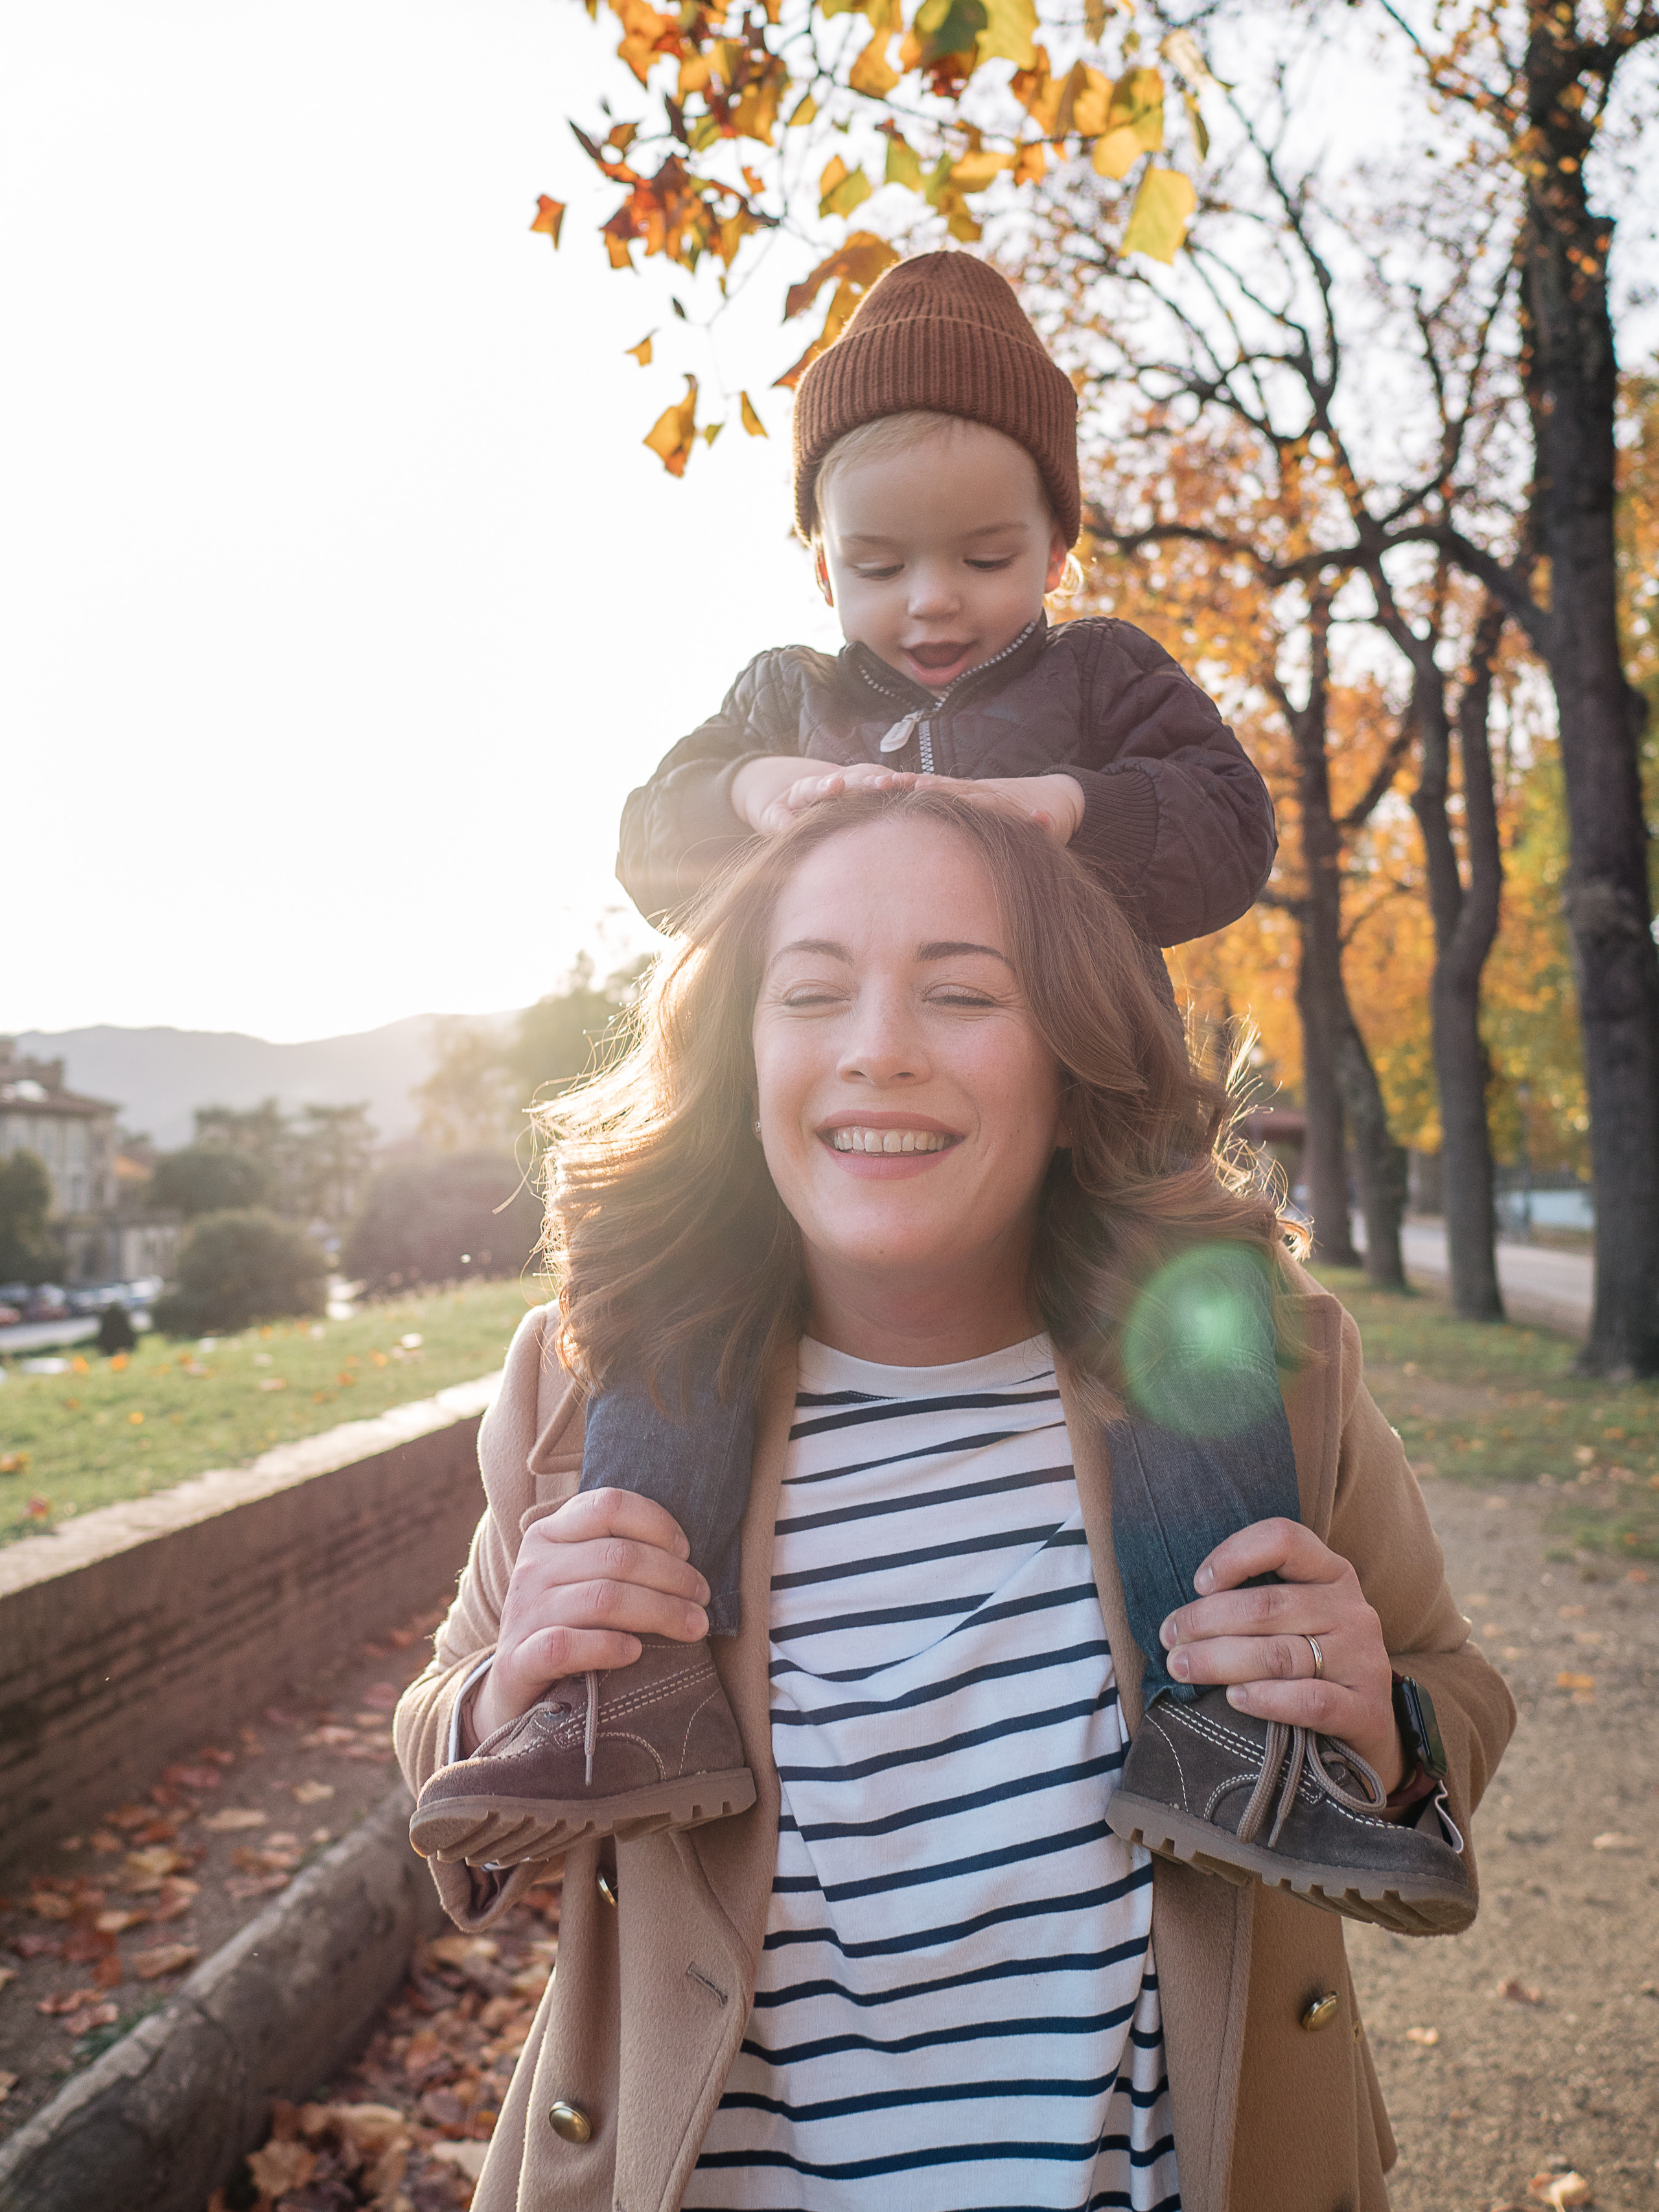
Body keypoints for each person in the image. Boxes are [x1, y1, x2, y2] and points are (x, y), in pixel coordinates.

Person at [397, 789, 1514, 2211]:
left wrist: (1387, 1731)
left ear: (1069, 1063)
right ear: (740, 1056)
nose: (877, 1051)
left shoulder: (1259, 1383)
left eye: (960, 993)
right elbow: (440, 1744)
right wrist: (504, 1698)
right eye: (810, 992)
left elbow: (1452, 1693)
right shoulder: (591, 1394)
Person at [412, 250, 1305, 1878]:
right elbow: (649, 837)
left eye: (986, 555)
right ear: (816, 557)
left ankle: (1234, 1706)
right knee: (677, 1300)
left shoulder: (1103, 684)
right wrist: (755, 795)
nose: (931, 605)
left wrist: (1074, 812)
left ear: (1059, 542)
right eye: (876, 564)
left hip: (1085, 1130)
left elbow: (1230, 828)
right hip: (803, 1180)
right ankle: (639, 1678)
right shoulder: (789, 698)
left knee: (1189, 1328)